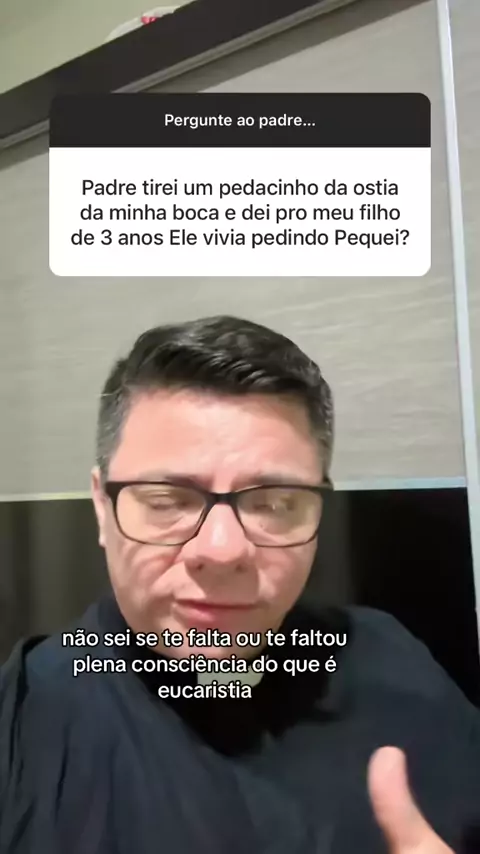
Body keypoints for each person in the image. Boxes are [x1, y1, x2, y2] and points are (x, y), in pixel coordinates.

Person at [0, 315, 479, 854]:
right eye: (167, 501)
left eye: (274, 504)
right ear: (101, 507)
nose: (222, 550)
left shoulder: (392, 664)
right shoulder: (23, 728)